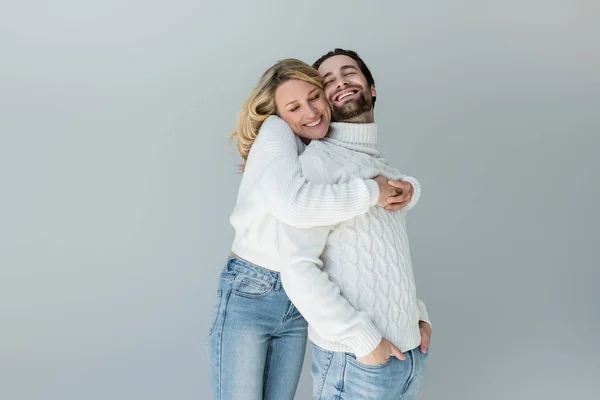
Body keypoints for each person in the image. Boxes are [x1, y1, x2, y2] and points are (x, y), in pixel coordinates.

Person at [206, 58, 415, 400]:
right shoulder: (275, 133)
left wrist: (408, 188)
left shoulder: (315, 142)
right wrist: (373, 192)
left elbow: (364, 166)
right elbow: (295, 206)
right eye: (294, 107)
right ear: (277, 113)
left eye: (315, 97)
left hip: (294, 296)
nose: (311, 111)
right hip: (251, 290)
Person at [278, 49, 432, 399]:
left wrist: (418, 318)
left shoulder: (382, 167)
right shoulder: (317, 164)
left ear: (371, 88)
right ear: (325, 103)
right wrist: (363, 342)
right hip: (358, 362)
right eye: (327, 82)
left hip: (407, 357)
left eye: (349, 73)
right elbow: (297, 267)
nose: (341, 82)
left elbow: (388, 257)